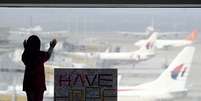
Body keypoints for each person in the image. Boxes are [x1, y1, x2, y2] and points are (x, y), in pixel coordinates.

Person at [22, 35, 57, 101]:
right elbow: (48, 55)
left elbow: (24, 58)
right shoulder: (40, 55)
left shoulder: (27, 56)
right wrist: (51, 47)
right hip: (39, 85)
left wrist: (26, 48)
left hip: (29, 85)